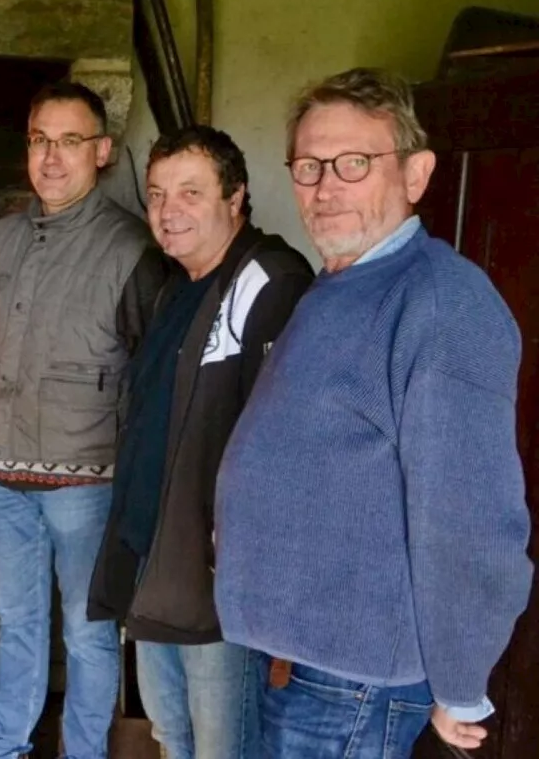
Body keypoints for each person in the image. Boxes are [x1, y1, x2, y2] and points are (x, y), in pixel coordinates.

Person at [214, 68, 534, 757]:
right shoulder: (339, 284)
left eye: (354, 163)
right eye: (308, 165)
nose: (325, 187)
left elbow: (470, 515)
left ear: (415, 175)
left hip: (352, 685)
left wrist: (460, 679)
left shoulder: (443, 304)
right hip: (293, 662)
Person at [88, 126, 313, 759]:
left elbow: (281, 439)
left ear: (235, 197)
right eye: (157, 194)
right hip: (152, 559)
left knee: (222, 748)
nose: (167, 211)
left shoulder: (270, 281)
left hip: (215, 583)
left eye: (191, 191)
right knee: (172, 736)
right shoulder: (174, 285)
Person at [0, 81, 168, 759]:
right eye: (39, 139)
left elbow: (153, 375)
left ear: (103, 151)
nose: (52, 157)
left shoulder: (130, 248)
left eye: (70, 140)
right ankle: (4, 743)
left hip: (87, 484)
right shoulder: (5, 237)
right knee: (16, 622)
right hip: (0, 474)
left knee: (88, 630)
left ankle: (82, 752)